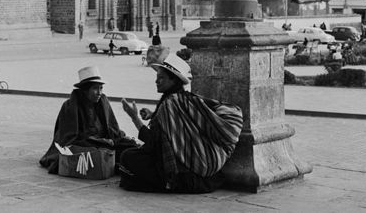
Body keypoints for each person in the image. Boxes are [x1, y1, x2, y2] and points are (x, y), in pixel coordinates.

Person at [119, 54, 243, 193]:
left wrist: (134, 117)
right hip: (200, 166)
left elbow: (153, 143)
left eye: (161, 78)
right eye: (157, 77)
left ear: (173, 80)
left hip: (181, 172)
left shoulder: (169, 103)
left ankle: (168, 183)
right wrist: (153, 115)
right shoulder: (186, 98)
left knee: (127, 157)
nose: (156, 81)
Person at [39, 66, 135, 174]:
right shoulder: (70, 106)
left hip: (105, 142)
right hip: (85, 144)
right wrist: (103, 142)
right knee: (99, 153)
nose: (99, 92)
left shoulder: (103, 102)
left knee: (130, 146)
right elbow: (70, 138)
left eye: (101, 88)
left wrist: (117, 140)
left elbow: (112, 128)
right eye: (95, 88)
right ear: (85, 90)